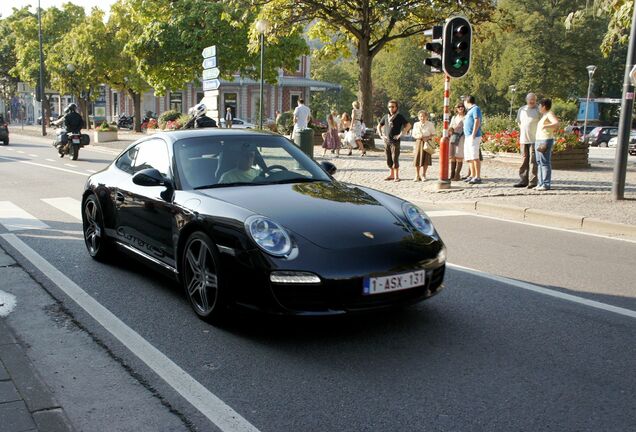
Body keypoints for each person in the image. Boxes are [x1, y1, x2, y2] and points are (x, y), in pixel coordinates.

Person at [378, 99, 411, 182]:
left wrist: (401, 134)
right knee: (388, 158)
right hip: (387, 141)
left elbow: (408, 125)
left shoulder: (399, 116)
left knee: (395, 158)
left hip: (395, 142)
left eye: (393, 107)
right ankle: (391, 174)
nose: (391, 108)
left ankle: (396, 176)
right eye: (389, 107)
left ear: (396, 107)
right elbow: (379, 125)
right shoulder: (386, 116)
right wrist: (381, 135)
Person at [513, 93, 540, 188]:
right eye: (530, 99)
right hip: (524, 139)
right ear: (526, 100)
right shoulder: (522, 109)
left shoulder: (538, 110)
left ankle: (533, 182)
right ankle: (523, 180)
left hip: (534, 139)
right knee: (524, 160)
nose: (532, 101)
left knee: (533, 161)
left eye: (534, 99)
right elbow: (519, 122)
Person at [534, 98, 559, 191]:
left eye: (539, 105)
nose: (538, 107)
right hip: (539, 140)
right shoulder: (544, 115)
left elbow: (556, 123)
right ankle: (540, 183)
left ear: (544, 106)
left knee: (544, 162)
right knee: (539, 162)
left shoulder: (549, 114)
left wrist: (546, 126)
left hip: (545, 140)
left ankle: (546, 184)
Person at [463, 95, 483, 184]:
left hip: (473, 136)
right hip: (467, 136)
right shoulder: (469, 111)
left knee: (474, 156)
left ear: (466, 102)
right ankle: (472, 175)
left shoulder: (475, 109)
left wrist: (473, 134)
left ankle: (477, 176)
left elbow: (477, 120)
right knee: (469, 157)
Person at [411, 110, 436, 181]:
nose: (422, 118)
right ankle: (417, 175)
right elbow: (413, 134)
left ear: (426, 117)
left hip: (427, 142)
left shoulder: (430, 124)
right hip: (419, 142)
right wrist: (419, 137)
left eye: (424, 116)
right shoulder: (416, 124)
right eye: (421, 116)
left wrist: (427, 137)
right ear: (418, 117)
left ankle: (424, 175)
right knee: (417, 159)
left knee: (426, 159)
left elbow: (433, 133)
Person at [448, 102, 466, 180]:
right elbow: (450, 126)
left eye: (462, 107)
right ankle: (452, 174)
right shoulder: (454, 117)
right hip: (454, 137)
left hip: (462, 137)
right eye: (459, 107)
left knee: (459, 156)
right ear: (456, 109)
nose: (460, 108)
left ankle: (457, 175)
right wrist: (451, 129)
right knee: (452, 156)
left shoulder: (466, 117)